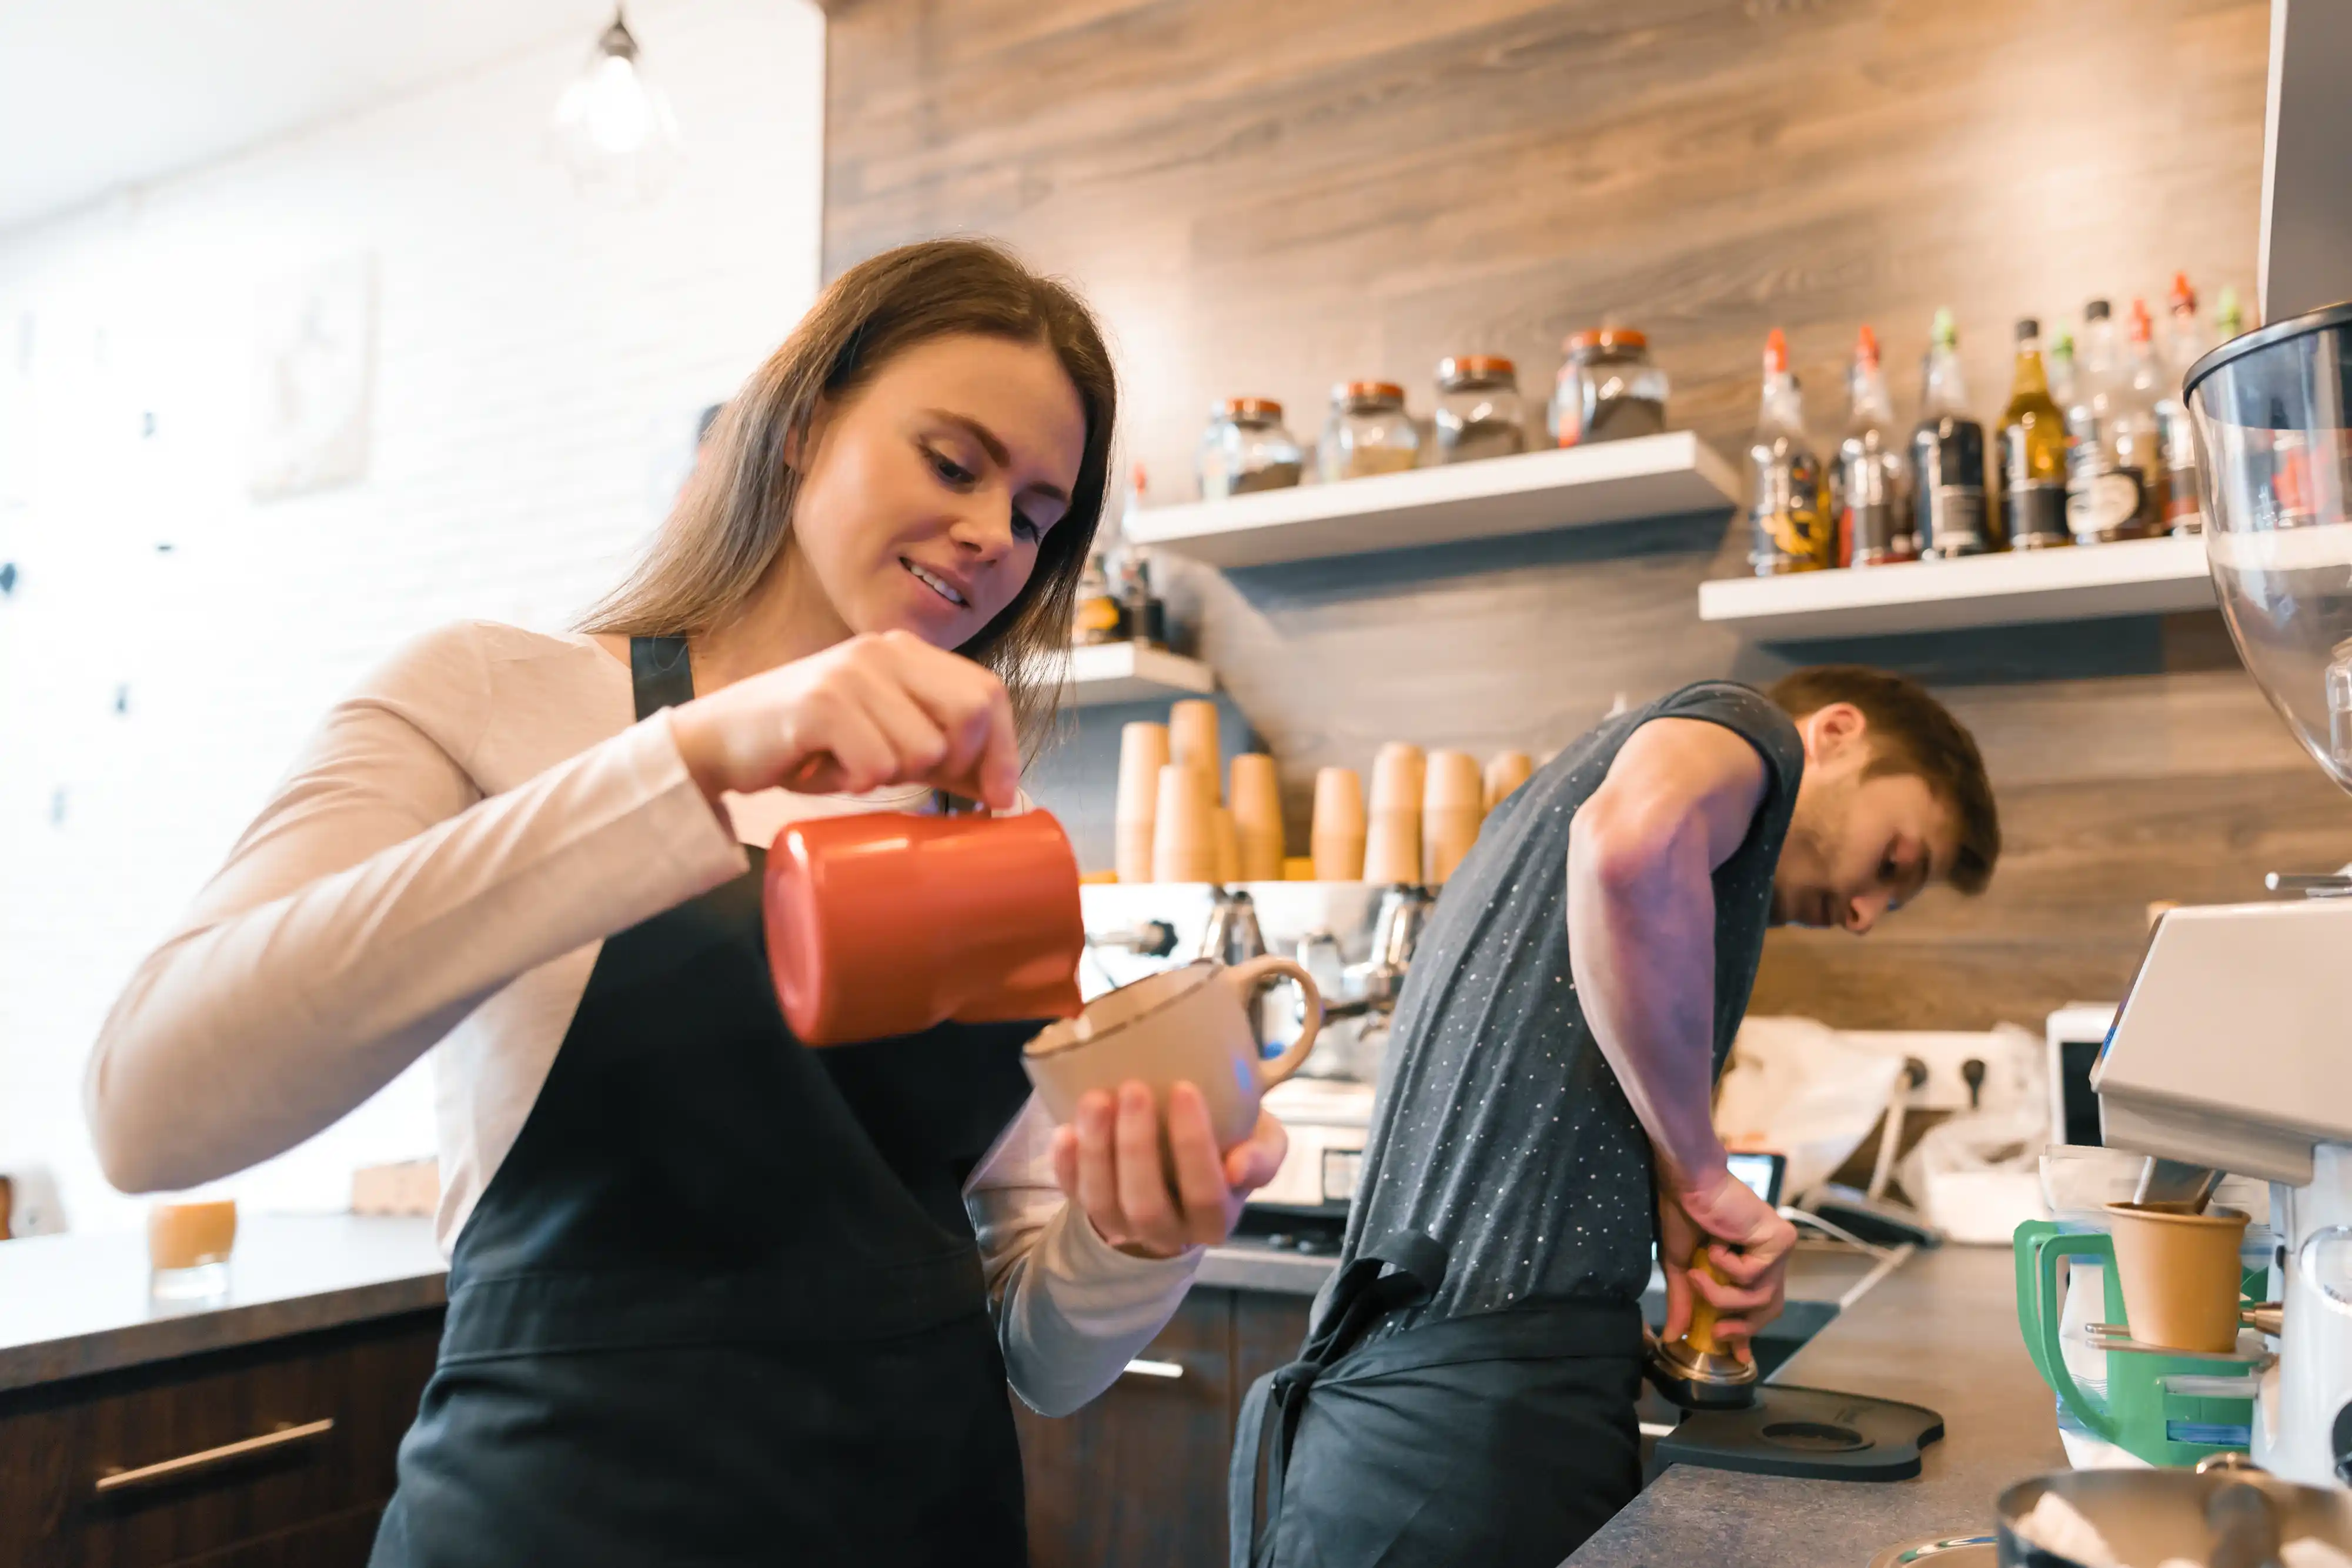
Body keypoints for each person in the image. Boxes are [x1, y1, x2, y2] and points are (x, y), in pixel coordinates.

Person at [84, 239, 1289, 1567]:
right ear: (801, 423)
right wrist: (690, 764)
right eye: (954, 463)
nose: (996, 534)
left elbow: (1029, 1347)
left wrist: (1130, 1240)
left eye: (1039, 513)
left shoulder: (977, 839)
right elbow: (147, 1106)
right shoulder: (495, 697)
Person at [1233, 668, 2001, 1568]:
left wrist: (1660, 1204)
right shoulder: (1749, 724)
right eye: (1895, 861)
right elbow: (1632, 850)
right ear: (1834, 733)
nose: (1868, 913)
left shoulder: (1547, 797)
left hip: (1421, 1422)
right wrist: (1700, 1168)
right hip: (1466, 1442)